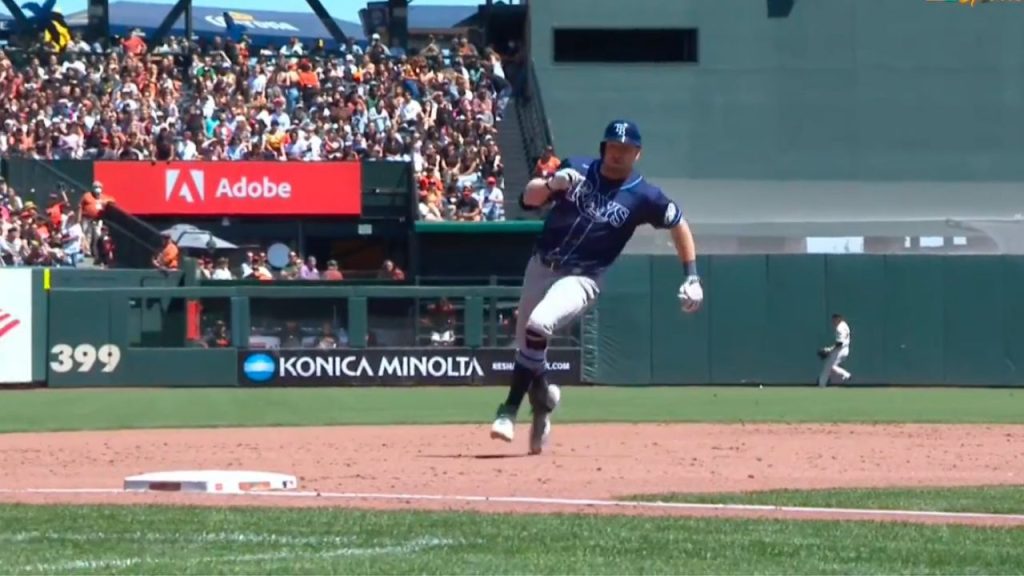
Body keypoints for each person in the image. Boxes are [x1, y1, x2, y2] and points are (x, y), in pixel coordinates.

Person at [490, 119, 704, 455]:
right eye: (612, 147)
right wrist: (551, 183)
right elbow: (527, 199)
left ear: (638, 153)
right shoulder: (577, 167)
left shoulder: (644, 195)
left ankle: (508, 410)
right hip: (540, 266)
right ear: (603, 147)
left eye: (626, 149)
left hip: (583, 277)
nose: (617, 154)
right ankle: (543, 399)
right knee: (528, 350)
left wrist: (691, 275)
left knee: (538, 324)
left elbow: (679, 222)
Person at [817, 313, 852, 387]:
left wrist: (829, 349)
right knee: (829, 366)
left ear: (838, 319)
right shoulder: (845, 324)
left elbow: (840, 343)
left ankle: (846, 375)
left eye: (834, 320)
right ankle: (821, 383)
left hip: (841, 350)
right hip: (845, 349)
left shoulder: (839, 328)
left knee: (829, 366)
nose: (833, 322)